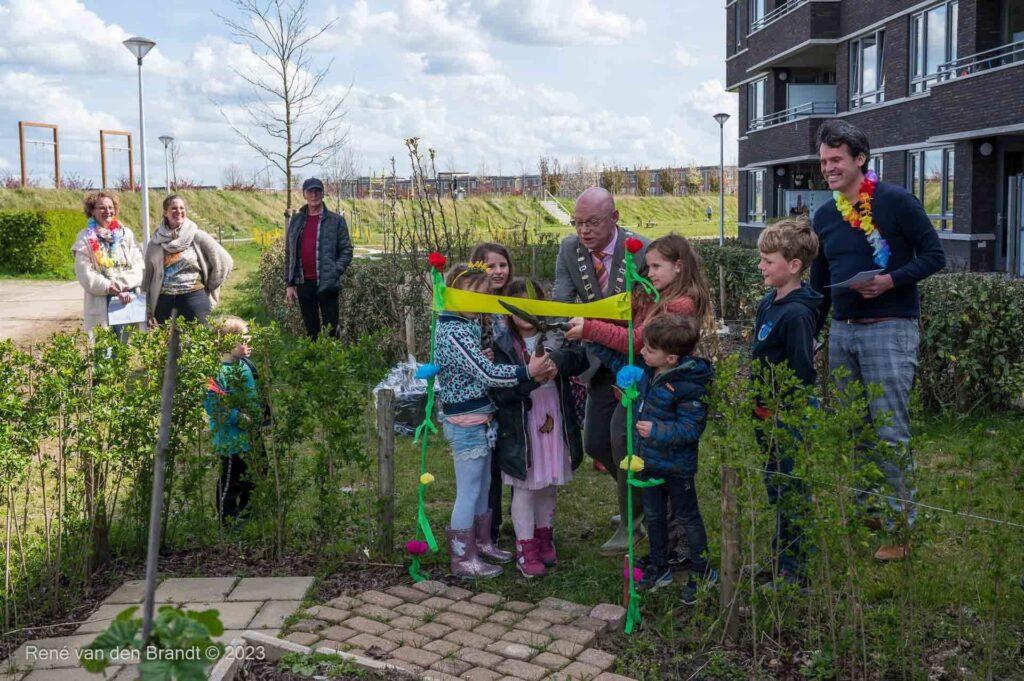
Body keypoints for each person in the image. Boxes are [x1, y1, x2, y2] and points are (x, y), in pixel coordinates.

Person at [809, 120, 945, 561]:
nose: (828, 168)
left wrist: (890, 281)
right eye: (824, 161)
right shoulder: (825, 215)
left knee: (889, 431)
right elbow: (821, 280)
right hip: (843, 332)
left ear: (860, 159)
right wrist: (811, 333)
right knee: (854, 428)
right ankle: (869, 509)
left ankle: (901, 528)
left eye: (836, 160)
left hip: (890, 325)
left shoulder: (896, 202)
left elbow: (934, 256)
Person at [435, 262, 553, 578]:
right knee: (469, 490)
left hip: (481, 418)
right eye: (478, 297)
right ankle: (462, 558)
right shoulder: (454, 330)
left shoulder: (466, 326)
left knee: (485, 485)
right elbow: (487, 373)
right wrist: (527, 372)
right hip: (466, 421)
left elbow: (476, 366)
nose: (484, 305)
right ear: (457, 296)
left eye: (488, 297)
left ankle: (482, 543)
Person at [590, 314, 717, 606]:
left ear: (671, 358)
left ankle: (702, 570)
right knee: (655, 517)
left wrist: (657, 430)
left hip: (676, 468)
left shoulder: (690, 386)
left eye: (649, 349)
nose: (642, 352)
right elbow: (619, 362)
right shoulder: (651, 371)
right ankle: (660, 567)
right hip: (648, 462)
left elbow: (691, 428)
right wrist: (591, 340)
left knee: (687, 518)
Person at [552, 186, 649, 555]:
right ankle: (637, 499)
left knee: (623, 441)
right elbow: (562, 304)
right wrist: (554, 355)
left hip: (634, 362)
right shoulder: (569, 250)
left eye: (592, 222)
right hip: (597, 361)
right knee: (596, 442)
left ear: (615, 218)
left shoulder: (642, 251)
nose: (583, 231)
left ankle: (632, 520)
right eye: (578, 223)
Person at [491, 277, 589, 578]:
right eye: (518, 305)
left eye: (532, 304)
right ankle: (525, 546)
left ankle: (545, 536)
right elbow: (500, 389)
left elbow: (579, 359)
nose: (525, 312)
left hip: (553, 418)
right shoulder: (501, 344)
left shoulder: (558, 335)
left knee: (547, 482)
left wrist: (557, 362)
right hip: (521, 426)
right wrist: (529, 379)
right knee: (525, 485)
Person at [752, 218, 822, 584]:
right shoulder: (769, 303)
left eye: (768, 260)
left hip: (787, 416)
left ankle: (797, 572)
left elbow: (803, 372)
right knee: (777, 489)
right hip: (764, 413)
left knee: (793, 492)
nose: (760, 266)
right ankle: (781, 558)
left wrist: (784, 411)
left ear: (794, 266)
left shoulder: (796, 313)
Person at [469, 242, 514, 545]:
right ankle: (490, 527)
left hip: (513, 391)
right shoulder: (471, 307)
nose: (498, 272)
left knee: (511, 456)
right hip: (484, 394)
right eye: (490, 266)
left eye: (502, 265)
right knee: (489, 465)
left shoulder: (517, 300)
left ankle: (524, 521)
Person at [144, 195, 233, 326]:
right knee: (170, 345)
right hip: (164, 302)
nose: (178, 211)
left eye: (182, 208)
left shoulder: (196, 235)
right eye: (173, 208)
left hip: (194, 299)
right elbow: (147, 277)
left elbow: (225, 261)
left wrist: (210, 285)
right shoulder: (155, 243)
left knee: (200, 342)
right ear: (165, 213)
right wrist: (147, 307)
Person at [204, 315, 260, 520]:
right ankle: (227, 519)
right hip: (231, 439)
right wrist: (237, 417)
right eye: (244, 338)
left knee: (256, 474)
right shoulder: (217, 373)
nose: (249, 340)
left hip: (252, 435)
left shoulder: (245, 365)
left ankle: (249, 515)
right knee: (232, 479)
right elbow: (214, 405)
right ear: (228, 342)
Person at [284, 178, 354, 338]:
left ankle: (333, 362)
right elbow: (289, 253)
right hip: (303, 283)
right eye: (310, 191)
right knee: (311, 331)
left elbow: (347, 251)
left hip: (327, 282)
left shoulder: (336, 221)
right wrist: (289, 282)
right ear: (304, 194)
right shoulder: (296, 221)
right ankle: (316, 360)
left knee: (332, 330)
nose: (314, 195)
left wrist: (335, 272)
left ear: (323, 193)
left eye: (317, 191)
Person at [71, 191, 145, 341]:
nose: (108, 211)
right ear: (92, 210)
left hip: (126, 298)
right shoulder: (85, 237)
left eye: (111, 207)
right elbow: (84, 273)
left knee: (123, 348)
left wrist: (120, 285)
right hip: (102, 300)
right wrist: (109, 286)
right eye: (102, 208)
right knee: (104, 350)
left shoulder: (126, 234)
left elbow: (138, 265)